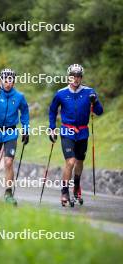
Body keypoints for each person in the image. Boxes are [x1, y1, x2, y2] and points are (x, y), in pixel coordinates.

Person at [49, 64, 103, 205]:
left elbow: (99, 111)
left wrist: (94, 101)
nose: (76, 79)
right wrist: (52, 128)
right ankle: (64, 191)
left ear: (81, 77)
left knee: (79, 162)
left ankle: (77, 186)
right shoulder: (60, 93)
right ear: (69, 77)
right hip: (67, 131)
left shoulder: (89, 92)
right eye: (73, 75)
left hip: (83, 132)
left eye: (78, 76)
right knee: (70, 161)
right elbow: (52, 111)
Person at [0, 68, 29, 205]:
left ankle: (8, 194)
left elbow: (25, 113)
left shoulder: (19, 96)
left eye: (10, 80)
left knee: (9, 162)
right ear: (0, 80)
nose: (8, 83)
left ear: (13, 81)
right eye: (5, 80)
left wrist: (26, 130)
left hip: (10, 132)